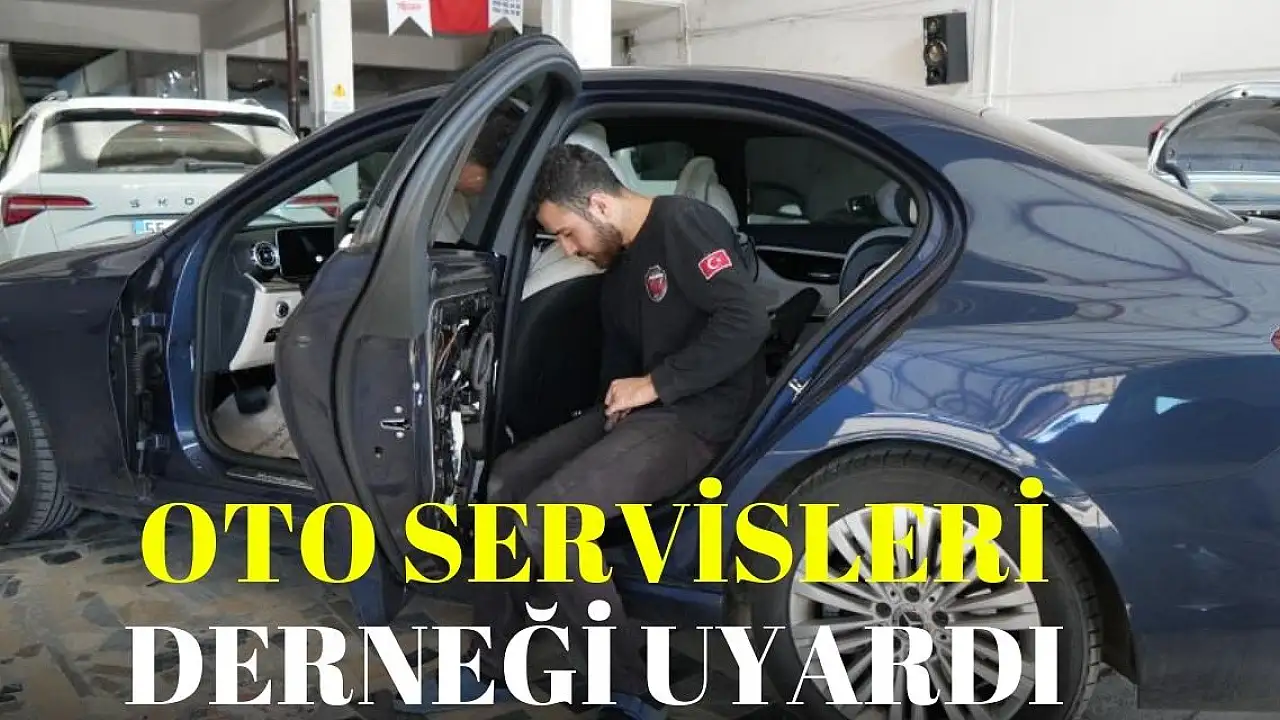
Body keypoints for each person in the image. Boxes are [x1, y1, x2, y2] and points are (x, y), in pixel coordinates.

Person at [401, 144, 771, 718]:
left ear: (599, 203)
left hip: (700, 414)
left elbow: (747, 320)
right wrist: (612, 405)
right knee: (503, 483)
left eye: (568, 234)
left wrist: (655, 384)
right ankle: (492, 665)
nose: (570, 250)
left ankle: (627, 686)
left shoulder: (683, 223)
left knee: (552, 521)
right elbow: (621, 357)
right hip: (645, 409)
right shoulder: (619, 262)